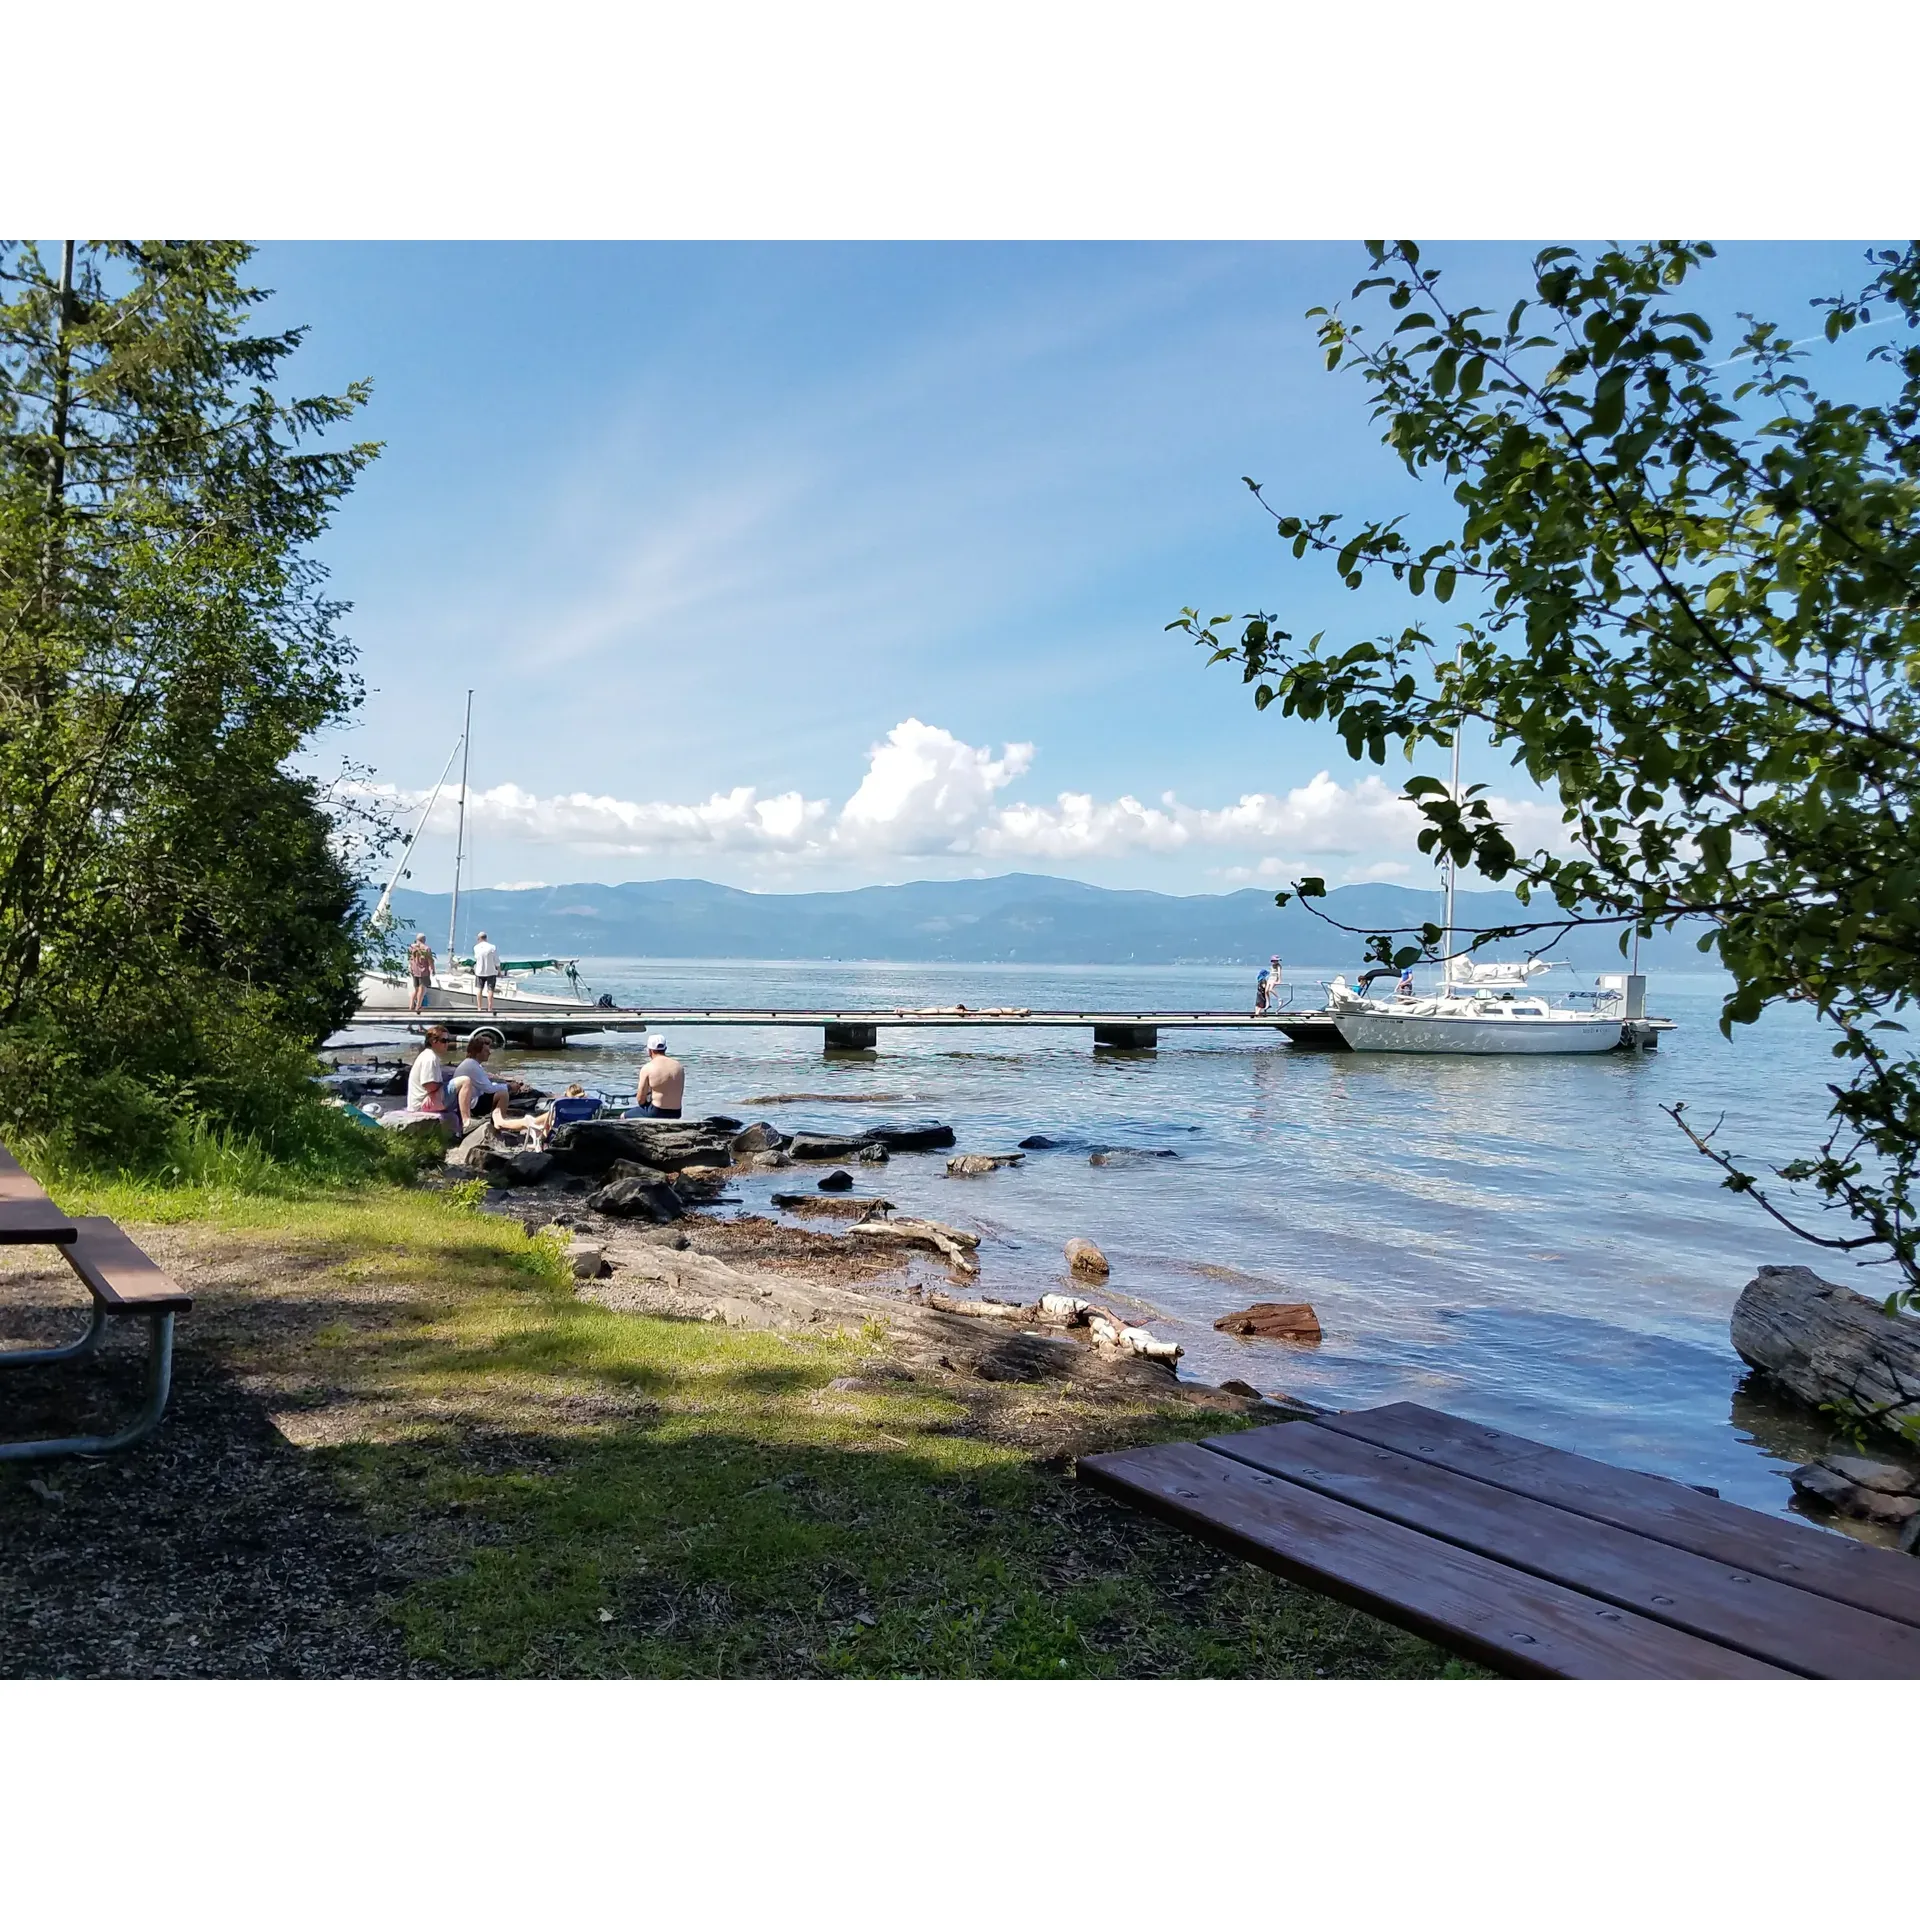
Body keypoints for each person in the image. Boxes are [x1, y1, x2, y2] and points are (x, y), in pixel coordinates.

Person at [448, 1035, 533, 1134]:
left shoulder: (472, 1064)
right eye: (486, 1050)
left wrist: (504, 1083)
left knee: (501, 1090)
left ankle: (498, 1121)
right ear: (477, 1052)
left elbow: (486, 1084)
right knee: (503, 1093)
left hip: (472, 1101)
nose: (489, 1052)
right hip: (472, 1105)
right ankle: (500, 1122)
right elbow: (488, 1088)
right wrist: (509, 1087)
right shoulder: (471, 1065)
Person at [631, 1035, 685, 1119]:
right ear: (665, 1049)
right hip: (676, 1113)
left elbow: (640, 1099)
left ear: (650, 1051)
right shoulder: (679, 1067)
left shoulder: (648, 1068)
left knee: (624, 1116)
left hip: (657, 1112)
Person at [471, 930, 501, 1014]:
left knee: (479, 989)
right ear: (486, 938)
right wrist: (499, 971)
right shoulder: (492, 947)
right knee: (490, 990)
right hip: (491, 971)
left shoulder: (476, 947)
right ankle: (490, 1008)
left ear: (479, 939)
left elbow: (476, 957)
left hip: (479, 971)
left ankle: (479, 1007)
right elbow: (496, 960)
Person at [406, 933, 435, 1013]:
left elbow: (410, 959)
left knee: (416, 989)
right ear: (424, 940)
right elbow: (430, 961)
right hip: (423, 972)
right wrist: (433, 969)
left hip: (414, 971)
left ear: (417, 939)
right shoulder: (426, 948)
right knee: (421, 990)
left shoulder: (411, 947)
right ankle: (418, 1006)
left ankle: (411, 1005)